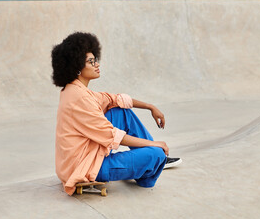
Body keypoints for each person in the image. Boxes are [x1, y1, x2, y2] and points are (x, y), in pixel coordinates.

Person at [51, 32, 182, 195]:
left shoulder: (75, 90)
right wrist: (155, 144)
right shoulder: (80, 98)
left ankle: (154, 156)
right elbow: (112, 136)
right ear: (77, 67)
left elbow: (115, 99)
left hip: (83, 155)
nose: (97, 64)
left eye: (95, 60)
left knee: (120, 112)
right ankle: (151, 166)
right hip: (85, 166)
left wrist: (150, 107)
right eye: (91, 62)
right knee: (154, 154)